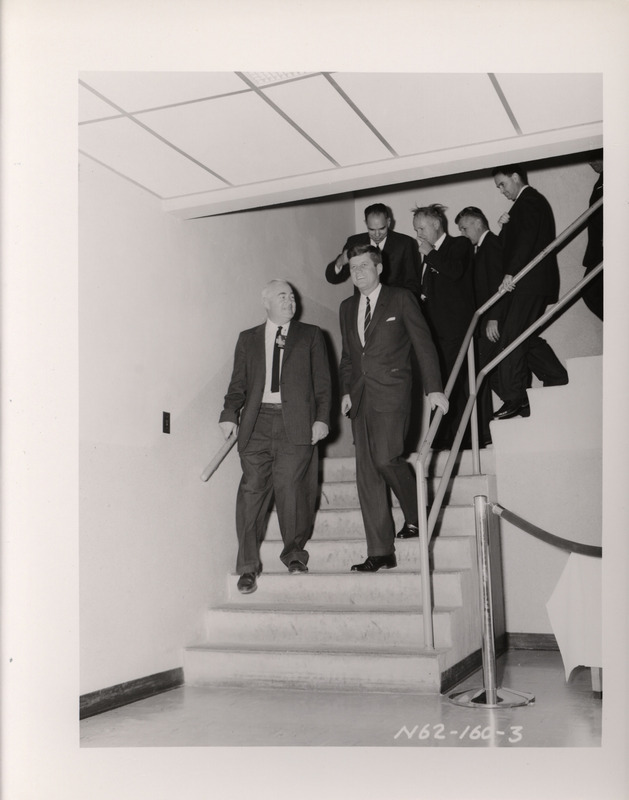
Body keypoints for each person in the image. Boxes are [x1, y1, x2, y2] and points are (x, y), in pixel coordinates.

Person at [339, 245, 448, 571]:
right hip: (360, 399)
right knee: (367, 474)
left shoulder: (400, 298)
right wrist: (346, 391)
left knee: (387, 458)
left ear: (379, 267)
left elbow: (423, 344)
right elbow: (348, 355)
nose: (358, 272)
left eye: (364, 266)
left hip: (393, 394)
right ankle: (380, 551)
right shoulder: (346, 307)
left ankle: (417, 511)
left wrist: (434, 389)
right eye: (353, 267)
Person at [219, 280, 332, 593]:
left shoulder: (311, 335)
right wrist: (229, 415)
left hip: (294, 423)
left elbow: (323, 383)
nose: (290, 301)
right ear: (265, 301)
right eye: (283, 296)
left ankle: (294, 553)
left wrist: (322, 419)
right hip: (256, 425)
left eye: (293, 296)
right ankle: (247, 568)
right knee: (251, 492)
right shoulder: (248, 339)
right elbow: (237, 384)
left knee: (292, 491)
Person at [490, 164, 569, 420]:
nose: (501, 191)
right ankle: (556, 376)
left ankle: (516, 397)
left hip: (530, 282)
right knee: (523, 336)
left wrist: (512, 271)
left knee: (511, 338)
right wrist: (504, 227)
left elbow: (527, 241)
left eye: (502, 184)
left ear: (515, 177)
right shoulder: (521, 206)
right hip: (529, 283)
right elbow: (510, 245)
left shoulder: (530, 200)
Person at [412, 204, 475, 449]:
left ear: (436, 224)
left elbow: (456, 272)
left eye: (422, 227)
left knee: (452, 384)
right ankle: (441, 439)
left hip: (455, 329)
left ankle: (447, 440)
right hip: (434, 334)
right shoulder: (427, 256)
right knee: (440, 384)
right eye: (416, 229)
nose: (418, 233)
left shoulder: (459, 245)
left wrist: (430, 253)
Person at [455, 206, 508, 447]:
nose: (464, 233)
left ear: (478, 223)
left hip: (492, 320)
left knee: (478, 373)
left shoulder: (492, 244)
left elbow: (498, 284)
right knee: (485, 373)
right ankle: (513, 404)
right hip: (485, 322)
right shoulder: (480, 249)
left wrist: (493, 317)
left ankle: (483, 432)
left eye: (465, 228)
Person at [325, 203, 421, 296]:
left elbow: (413, 284)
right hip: (363, 306)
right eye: (372, 229)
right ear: (366, 223)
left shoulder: (405, 243)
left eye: (381, 228)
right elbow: (332, 278)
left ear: (388, 222)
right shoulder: (354, 242)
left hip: (395, 306)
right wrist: (340, 262)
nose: (377, 234)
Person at [581, 151, 603, 320]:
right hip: (599, 249)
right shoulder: (600, 182)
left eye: (595, 157)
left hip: (608, 247)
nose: (591, 163)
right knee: (590, 290)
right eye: (589, 160)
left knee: (590, 289)